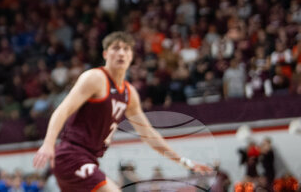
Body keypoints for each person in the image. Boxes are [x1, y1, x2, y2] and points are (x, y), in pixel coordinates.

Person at [33, 32, 212, 192]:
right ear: (105, 54)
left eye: (126, 49)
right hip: (72, 155)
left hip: (90, 159)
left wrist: (183, 161)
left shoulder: (129, 93)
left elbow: (149, 134)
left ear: (131, 56)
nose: (121, 53)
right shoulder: (95, 78)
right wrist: (48, 144)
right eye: (115, 48)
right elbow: (63, 110)